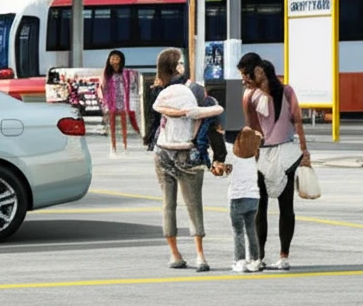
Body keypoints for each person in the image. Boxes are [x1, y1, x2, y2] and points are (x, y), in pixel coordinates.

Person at [150, 48, 225, 272]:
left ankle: (175, 254)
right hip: (187, 151)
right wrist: (219, 156)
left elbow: (153, 118)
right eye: (181, 62)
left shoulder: (158, 91)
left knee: (168, 205)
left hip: (162, 150)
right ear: (177, 66)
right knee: (194, 205)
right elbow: (206, 117)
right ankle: (200, 256)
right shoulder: (192, 90)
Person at [241, 59, 310, 271]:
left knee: (284, 205)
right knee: (260, 206)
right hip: (263, 154)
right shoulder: (250, 96)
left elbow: (297, 121)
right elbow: (250, 128)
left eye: (247, 75)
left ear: (259, 72)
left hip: (286, 153)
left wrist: (304, 151)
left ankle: (282, 255)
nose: (244, 80)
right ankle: (259, 255)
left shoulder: (286, 92)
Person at [214, 126, 265, 273]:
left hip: (237, 197)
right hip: (254, 197)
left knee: (238, 231)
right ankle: (255, 260)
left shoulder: (231, 155)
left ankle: (240, 260)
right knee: (251, 229)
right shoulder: (254, 155)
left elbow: (222, 172)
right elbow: (257, 135)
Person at [100, 50, 140, 157]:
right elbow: (103, 87)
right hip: (111, 101)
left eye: (117, 58)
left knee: (123, 125)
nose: (114, 61)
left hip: (123, 101)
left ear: (121, 60)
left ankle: (124, 146)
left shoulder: (126, 73)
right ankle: (113, 147)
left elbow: (132, 84)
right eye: (112, 58)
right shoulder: (106, 73)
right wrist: (105, 103)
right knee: (112, 125)